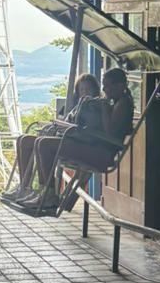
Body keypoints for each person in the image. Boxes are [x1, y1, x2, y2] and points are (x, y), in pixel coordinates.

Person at [8, 73, 101, 201]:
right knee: (24, 140)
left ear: (95, 90)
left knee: (43, 143)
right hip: (66, 138)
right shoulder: (77, 106)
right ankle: (24, 187)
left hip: (79, 144)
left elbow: (85, 129)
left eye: (88, 89)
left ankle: (48, 192)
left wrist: (66, 128)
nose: (84, 93)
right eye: (81, 90)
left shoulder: (95, 107)